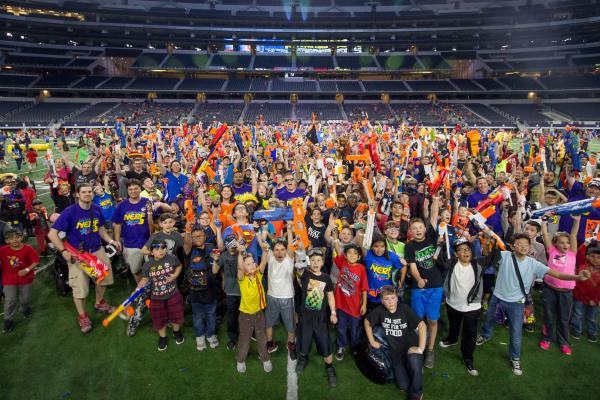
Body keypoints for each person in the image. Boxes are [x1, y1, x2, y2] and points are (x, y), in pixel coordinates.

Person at [476, 233, 591, 375]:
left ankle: (515, 358)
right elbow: (487, 255)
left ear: (530, 248)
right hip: (497, 298)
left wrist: (577, 277)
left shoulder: (533, 263)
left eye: (526, 245)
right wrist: (487, 243)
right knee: (489, 319)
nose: (523, 247)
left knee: (516, 333)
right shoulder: (504, 256)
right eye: (520, 244)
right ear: (513, 247)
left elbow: (559, 275)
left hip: (517, 303)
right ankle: (485, 334)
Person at [48, 183, 122, 333]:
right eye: (84, 192)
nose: (88, 194)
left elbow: (100, 228)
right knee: (80, 289)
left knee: (104, 279)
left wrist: (111, 240)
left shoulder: (96, 209)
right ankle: (82, 316)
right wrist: (63, 251)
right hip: (78, 255)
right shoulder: (69, 212)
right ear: (77, 194)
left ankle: (99, 302)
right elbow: (52, 234)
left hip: (97, 250)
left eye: (90, 192)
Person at [437, 237, 499, 376]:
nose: (465, 252)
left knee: (470, 334)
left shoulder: (478, 262)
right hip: (452, 303)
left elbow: (494, 257)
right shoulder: (452, 262)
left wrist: (492, 240)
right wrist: (440, 245)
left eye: (467, 249)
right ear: (455, 254)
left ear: (471, 251)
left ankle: (468, 358)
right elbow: (439, 262)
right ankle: (452, 339)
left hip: (472, 307)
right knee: (454, 324)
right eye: (461, 250)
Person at [365, 285, 427, 400]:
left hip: (410, 348)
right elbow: (367, 321)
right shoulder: (379, 310)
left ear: (397, 298)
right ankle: (415, 371)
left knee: (414, 361)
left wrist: (420, 349)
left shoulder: (404, 309)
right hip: (396, 354)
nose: (390, 302)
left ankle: (416, 394)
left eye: (393, 298)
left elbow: (422, 325)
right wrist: (372, 341)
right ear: (382, 301)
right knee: (403, 386)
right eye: (387, 299)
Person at [295, 248, 338, 388]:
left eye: (318, 260)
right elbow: (299, 270)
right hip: (306, 317)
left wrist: (333, 312)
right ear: (309, 261)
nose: (315, 262)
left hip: (320, 318)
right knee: (304, 341)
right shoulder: (305, 274)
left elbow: (331, 296)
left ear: (322, 262)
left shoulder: (326, 278)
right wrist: (301, 253)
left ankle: (330, 367)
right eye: (312, 260)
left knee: (325, 343)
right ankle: (303, 358)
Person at [404, 217, 443, 368]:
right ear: (410, 232)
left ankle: (430, 349)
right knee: (418, 321)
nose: (418, 230)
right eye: (414, 228)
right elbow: (412, 267)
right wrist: (419, 279)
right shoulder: (409, 246)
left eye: (420, 227)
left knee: (432, 320)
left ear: (425, 229)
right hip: (418, 288)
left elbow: (433, 216)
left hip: (435, 286)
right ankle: (418, 347)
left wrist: (435, 199)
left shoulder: (432, 240)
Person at [539, 215, 580, 355]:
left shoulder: (572, 253)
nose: (565, 245)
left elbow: (574, 234)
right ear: (555, 243)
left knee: (563, 318)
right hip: (549, 289)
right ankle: (547, 338)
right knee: (549, 315)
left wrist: (577, 220)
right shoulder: (552, 251)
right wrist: (544, 223)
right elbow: (545, 234)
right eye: (562, 242)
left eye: (567, 243)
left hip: (566, 292)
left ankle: (563, 342)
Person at [136, 239, 184, 351]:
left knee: (176, 315)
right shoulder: (147, 265)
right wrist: (138, 288)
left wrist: (175, 276)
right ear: (151, 252)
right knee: (159, 319)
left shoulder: (172, 258)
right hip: (156, 298)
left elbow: (179, 266)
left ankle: (176, 331)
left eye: (163, 248)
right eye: (157, 249)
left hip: (173, 294)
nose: (161, 251)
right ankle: (163, 337)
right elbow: (144, 279)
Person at [260, 224, 297, 358]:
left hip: (287, 297)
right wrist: (263, 231)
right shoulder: (269, 256)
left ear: (286, 251)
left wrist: (289, 230)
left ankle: (291, 344)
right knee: (268, 322)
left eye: (282, 249)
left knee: (290, 323)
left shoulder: (289, 259)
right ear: (273, 250)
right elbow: (264, 245)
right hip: (271, 296)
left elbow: (291, 248)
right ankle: (270, 343)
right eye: (276, 249)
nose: (279, 252)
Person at [235, 244, 272, 374]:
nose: (252, 265)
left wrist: (265, 250)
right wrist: (240, 254)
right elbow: (239, 267)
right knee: (244, 340)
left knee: (262, 337)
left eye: (252, 262)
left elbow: (263, 261)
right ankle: (240, 360)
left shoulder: (258, 275)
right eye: (248, 264)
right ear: (243, 268)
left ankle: (264, 357)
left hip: (259, 313)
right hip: (245, 315)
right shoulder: (242, 279)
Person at [184, 227, 220, 351]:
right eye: (195, 237)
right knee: (197, 316)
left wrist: (215, 260)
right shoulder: (188, 250)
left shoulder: (212, 248)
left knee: (211, 315)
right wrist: (188, 231)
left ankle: (211, 334)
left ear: (205, 236)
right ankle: (199, 336)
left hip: (210, 290)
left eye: (200, 236)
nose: (197, 238)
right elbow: (187, 242)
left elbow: (215, 272)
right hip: (194, 292)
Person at [331, 241, 368, 361]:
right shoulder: (343, 262)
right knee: (341, 327)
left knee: (354, 329)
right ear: (345, 255)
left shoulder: (362, 269)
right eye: (349, 253)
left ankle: (355, 347)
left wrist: (365, 304)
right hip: (341, 304)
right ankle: (341, 346)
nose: (352, 255)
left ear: (359, 256)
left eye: (355, 254)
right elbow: (339, 253)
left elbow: (364, 288)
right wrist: (336, 239)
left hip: (355, 305)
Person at [112, 179, 154, 282]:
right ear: (127, 191)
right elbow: (117, 224)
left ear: (141, 189)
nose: (133, 191)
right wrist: (117, 241)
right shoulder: (122, 205)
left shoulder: (148, 202)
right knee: (135, 270)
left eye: (136, 188)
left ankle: (154, 290)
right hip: (130, 244)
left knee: (152, 270)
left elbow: (154, 223)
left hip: (148, 243)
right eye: (130, 189)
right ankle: (141, 292)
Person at [0, 227, 39, 333]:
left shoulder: (28, 248)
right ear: (7, 241)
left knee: (25, 299)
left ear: (21, 237)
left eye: (17, 237)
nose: (15, 240)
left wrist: (27, 269)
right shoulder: (3, 250)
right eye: (11, 238)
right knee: (10, 300)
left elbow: (35, 261)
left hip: (25, 278)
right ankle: (8, 320)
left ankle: (25, 309)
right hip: (9, 279)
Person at [570, 241, 600, 342]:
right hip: (579, 297)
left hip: (593, 301)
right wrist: (586, 243)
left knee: (592, 318)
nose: (595, 259)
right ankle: (576, 331)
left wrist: (595, 300)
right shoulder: (583, 263)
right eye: (592, 256)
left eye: (598, 257)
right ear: (587, 256)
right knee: (577, 315)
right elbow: (580, 253)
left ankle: (592, 334)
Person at [216, 235, 241, 350]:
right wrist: (215, 259)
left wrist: (242, 250)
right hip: (230, 291)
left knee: (246, 315)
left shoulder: (242, 253)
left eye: (234, 243)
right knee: (231, 316)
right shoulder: (224, 255)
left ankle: (248, 333)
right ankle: (232, 337)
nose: (232, 246)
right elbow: (216, 270)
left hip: (243, 290)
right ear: (226, 246)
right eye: (230, 244)